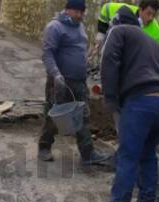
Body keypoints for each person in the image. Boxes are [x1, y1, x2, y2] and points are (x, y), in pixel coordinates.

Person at [87, 7, 159, 202]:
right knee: (147, 154)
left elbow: (109, 60)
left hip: (140, 100)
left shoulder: (118, 32)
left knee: (127, 156)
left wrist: (110, 97)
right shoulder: (151, 41)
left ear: (116, 23)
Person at [39, 0, 108, 166]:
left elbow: (78, 50)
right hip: (60, 81)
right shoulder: (54, 27)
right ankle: (44, 147)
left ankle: (87, 153)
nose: (80, 15)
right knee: (53, 116)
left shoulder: (80, 26)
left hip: (79, 81)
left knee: (82, 116)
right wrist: (56, 74)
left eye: (82, 12)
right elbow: (47, 54)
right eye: (77, 12)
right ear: (67, 10)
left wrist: (85, 60)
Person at [89, 1, 159, 63]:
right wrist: (101, 32)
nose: (151, 18)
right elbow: (107, 8)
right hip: (114, 52)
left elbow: (153, 56)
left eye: (154, 15)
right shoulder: (124, 11)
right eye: (148, 13)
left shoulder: (156, 33)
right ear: (140, 9)